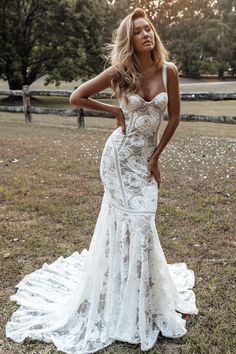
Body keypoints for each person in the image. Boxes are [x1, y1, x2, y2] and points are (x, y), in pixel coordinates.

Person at [5, 7, 198, 354]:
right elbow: (76, 96)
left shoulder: (168, 71)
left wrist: (156, 159)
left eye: (149, 28)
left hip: (144, 162)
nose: (146, 34)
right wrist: (115, 112)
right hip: (118, 161)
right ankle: (125, 294)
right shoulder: (121, 71)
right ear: (130, 39)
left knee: (142, 222)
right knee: (133, 223)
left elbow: (174, 119)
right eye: (138, 31)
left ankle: (143, 292)